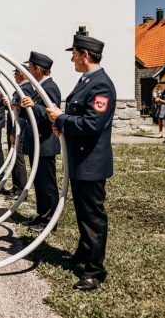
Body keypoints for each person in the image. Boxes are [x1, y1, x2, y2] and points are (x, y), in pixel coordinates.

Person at [46, 34, 115, 292]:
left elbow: (92, 124)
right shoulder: (87, 81)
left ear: (84, 55)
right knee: (83, 214)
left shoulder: (101, 85)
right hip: (81, 161)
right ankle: (85, 253)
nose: (72, 59)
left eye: (74, 54)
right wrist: (63, 126)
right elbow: (81, 118)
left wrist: (61, 119)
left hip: (91, 163)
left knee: (93, 217)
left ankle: (94, 270)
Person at [20, 51, 62, 231]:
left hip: (45, 143)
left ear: (38, 69)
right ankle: (42, 214)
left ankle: (49, 220)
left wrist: (34, 105)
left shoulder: (50, 88)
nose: (28, 71)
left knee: (47, 184)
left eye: (30, 68)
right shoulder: (40, 87)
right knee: (39, 182)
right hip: (38, 144)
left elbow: (51, 114)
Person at [3, 63, 33, 199]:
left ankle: (20, 190)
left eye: (16, 73)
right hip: (15, 128)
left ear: (22, 74)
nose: (14, 76)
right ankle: (16, 187)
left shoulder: (25, 89)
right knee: (14, 159)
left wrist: (14, 132)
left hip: (19, 130)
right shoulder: (20, 89)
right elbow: (16, 108)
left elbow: (22, 114)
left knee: (18, 159)